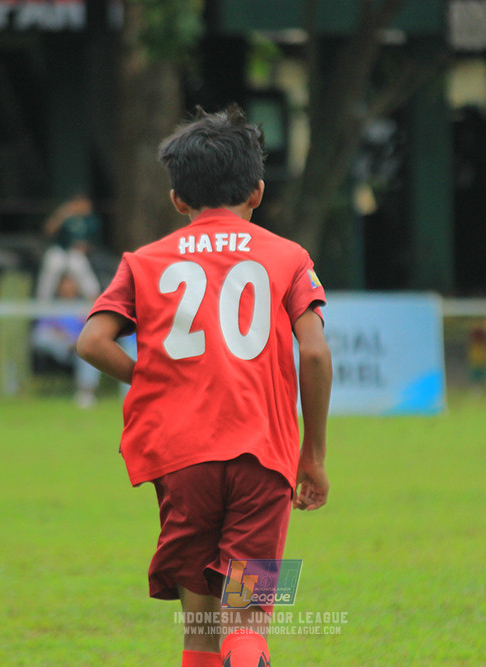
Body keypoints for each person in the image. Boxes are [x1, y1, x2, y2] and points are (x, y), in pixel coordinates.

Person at [76, 105, 333, 667]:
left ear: (177, 199)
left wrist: (153, 377)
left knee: (199, 629)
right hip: (263, 460)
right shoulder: (289, 257)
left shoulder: (143, 262)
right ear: (257, 192)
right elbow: (314, 352)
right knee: (248, 621)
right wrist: (312, 456)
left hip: (181, 460)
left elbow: (91, 342)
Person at [32, 275, 101, 408]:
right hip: (59, 346)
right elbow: (42, 329)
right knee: (41, 336)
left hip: (78, 347)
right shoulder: (52, 306)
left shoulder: (84, 307)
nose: (68, 288)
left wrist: (77, 341)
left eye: (71, 285)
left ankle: (86, 393)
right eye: (65, 285)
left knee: (91, 352)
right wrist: (64, 337)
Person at [35, 192, 102, 302]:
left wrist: (85, 247)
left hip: (77, 253)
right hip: (59, 250)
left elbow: (94, 244)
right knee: (52, 263)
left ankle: (94, 300)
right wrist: (62, 214)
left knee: (79, 264)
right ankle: (42, 301)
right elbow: (48, 231)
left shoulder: (92, 221)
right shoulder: (66, 216)